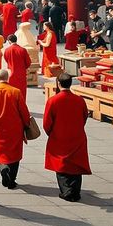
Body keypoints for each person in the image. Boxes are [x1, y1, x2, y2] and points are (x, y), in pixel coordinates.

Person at [44, 73, 91, 202]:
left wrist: (51, 133)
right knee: (76, 164)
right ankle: (75, 191)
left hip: (59, 136)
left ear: (58, 84)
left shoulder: (53, 101)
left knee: (61, 164)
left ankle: (66, 191)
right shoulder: (79, 100)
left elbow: (47, 122)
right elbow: (84, 117)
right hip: (77, 136)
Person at [0, 68, 31, 189]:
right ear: (8, 78)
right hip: (14, 128)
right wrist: (26, 124)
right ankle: (12, 179)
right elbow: (24, 111)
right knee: (15, 153)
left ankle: (3, 167)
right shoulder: (15, 92)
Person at [2, 34, 31, 102]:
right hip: (21, 74)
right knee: (22, 92)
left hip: (11, 74)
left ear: (9, 41)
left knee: (12, 92)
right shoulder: (23, 50)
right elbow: (28, 62)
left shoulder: (7, 50)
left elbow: (6, 60)